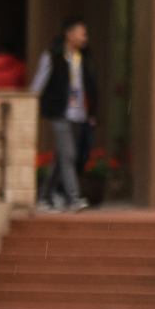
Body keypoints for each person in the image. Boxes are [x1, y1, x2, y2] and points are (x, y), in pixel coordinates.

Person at [31, 20, 95, 211]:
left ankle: (43, 195)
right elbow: (38, 83)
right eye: (81, 33)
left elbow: (91, 86)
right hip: (59, 112)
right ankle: (74, 199)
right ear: (69, 34)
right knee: (68, 155)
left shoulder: (83, 57)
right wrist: (32, 104)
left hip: (78, 114)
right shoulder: (53, 55)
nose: (85, 38)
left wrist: (92, 112)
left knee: (61, 158)